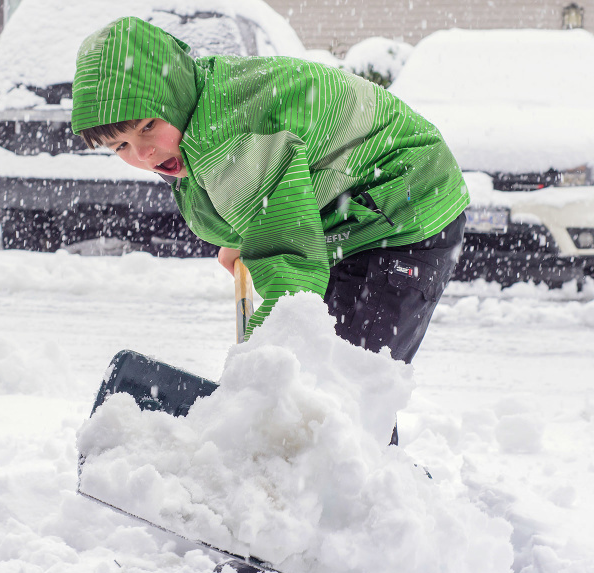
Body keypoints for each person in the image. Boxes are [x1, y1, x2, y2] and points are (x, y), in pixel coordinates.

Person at [71, 16, 468, 365]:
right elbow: (269, 194)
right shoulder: (202, 100)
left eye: (147, 127)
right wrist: (247, 232)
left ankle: (364, 449)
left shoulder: (227, 139)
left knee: (344, 384)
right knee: (328, 383)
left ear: (172, 95)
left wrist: (257, 364)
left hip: (405, 204)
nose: (143, 154)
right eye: (120, 146)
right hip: (356, 214)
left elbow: (289, 263)